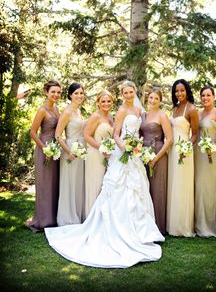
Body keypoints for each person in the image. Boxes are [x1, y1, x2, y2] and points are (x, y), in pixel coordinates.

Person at [45, 81, 164, 268]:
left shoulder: (139, 111)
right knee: (114, 188)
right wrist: (122, 146)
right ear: (122, 94)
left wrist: (135, 146)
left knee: (136, 188)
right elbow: (115, 134)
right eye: (125, 92)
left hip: (130, 155)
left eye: (131, 91)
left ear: (135, 92)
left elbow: (134, 131)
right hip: (117, 151)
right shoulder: (120, 111)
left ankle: (140, 230)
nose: (128, 94)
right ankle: (107, 225)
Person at [26, 81, 61, 232]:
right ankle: (43, 220)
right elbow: (32, 132)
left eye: (59, 92)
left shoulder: (56, 109)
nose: (56, 95)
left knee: (54, 184)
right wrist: (45, 148)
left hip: (55, 149)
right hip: (44, 149)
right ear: (46, 92)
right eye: (53, 91)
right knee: (45, 185)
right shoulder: (42, 110)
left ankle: (53, 217)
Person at [194, 85, 216, 237]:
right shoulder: (199, 113)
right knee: (199, 186)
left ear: (213, 97)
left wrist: (213, 147)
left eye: (208, 95)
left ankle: (210, 224)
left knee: (209, 187)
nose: (205, 98)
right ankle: (199, 223)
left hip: (211, 155)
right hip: (198, 154)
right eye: (203, 95)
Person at [166, 79, 198, 237]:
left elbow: (195, 135)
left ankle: (182, 226)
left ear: (187, 91)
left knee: (182, 186)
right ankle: (171, 224)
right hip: (173, 150)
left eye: (182, 90)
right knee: (173, 184)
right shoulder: (176, 107)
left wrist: (186, 148)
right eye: (176, 91)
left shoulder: (192, 109)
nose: (179, 94)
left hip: (184, 152)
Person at [140, 88, 172, 235]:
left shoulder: (162, 115)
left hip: (158, 153)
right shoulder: (143, 115)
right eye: (150, 98)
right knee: (145, 189)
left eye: (156, 99)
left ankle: (159, 226)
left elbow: (169, 140)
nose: (152, 101)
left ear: (160, 101)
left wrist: (156, 157)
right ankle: (147, 225)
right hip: (143, 154)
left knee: (157, 190)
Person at [56, 82, 86, 226]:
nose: (79, 96)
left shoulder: (78, 111)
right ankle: (67, 218)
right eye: (76, 93)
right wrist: (69, 152)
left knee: (77, 183)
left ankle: (77, 215)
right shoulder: (67, 112)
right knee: (69, 182)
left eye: (81, 93)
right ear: (70, 95)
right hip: (70, 150)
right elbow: (58, 135)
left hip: (80, 150)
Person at [84, 90, 114, 218]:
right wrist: (101, 147)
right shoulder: (96, 116)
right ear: (98, 102)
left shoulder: (111, 117)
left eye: (109, 101)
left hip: (107, 156)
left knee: (104, 185)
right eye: (103, 101)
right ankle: (91, 216)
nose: (106, 104)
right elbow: (86, 135)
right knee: (95, 184)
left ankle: (101, 216)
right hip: (95, 154)